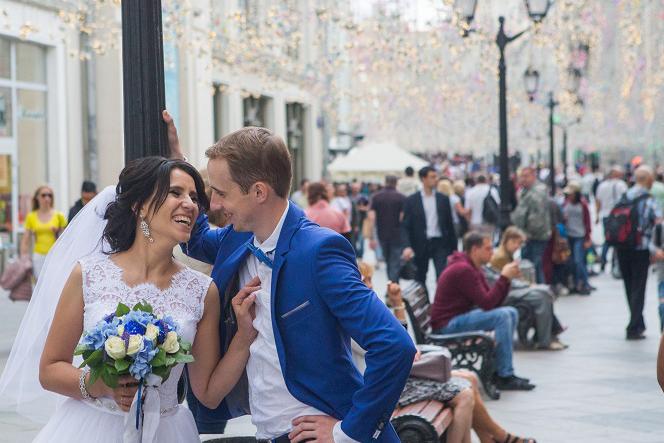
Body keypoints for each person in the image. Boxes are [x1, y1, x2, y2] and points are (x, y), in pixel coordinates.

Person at [171, 124, 416, 442]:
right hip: (268, 432)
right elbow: (197, 238)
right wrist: (178, 162)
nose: (213, 204)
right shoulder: (238, 236)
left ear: (258, 192)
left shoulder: (319, 251)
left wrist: (348, 432)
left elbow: (394, 345)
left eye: (220, 193)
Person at [0, 157, 258, 442]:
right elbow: (49, 370)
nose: (190, 204)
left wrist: (244, 337)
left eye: (194, 197)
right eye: (176, 192)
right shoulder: (89, 274)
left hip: (167, 431)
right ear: (141, 205)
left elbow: (208, 394)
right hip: (90, 428)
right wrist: (101, 385)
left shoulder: (200, 290)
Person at [356, 262, 536, 443]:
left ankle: (490, 438)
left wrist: (397, 304)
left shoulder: (366, 307)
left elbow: (401, 339)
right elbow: (393, 350)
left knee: (470, 378)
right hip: (389, 386)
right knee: (464, 394)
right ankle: (500, 437)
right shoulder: (359, 313)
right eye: (366, 280)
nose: (371, 285)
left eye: (371, 279)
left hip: (397, 377)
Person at [430, 232, 534, 391]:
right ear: (474, 250)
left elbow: (490, 302)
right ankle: (504, 375)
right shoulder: (463, 269)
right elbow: (487, 303)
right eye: (487, 248)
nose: (492, 252)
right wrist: (504, 278)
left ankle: (503, 371)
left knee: (511, 312)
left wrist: (506, 279)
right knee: (503, 316)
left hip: (457, 317)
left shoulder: (473, 267)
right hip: (447, 324)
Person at [488, 227, 567, 351]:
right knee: (543, 294)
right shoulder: (500, 257)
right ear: (507, 240)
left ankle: (549, 334)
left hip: (510, 288)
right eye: (516, 243)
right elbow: (503, 280)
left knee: (544, 293)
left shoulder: (507, 255)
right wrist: (527, 285)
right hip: (506, 291)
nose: (518, 246)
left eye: (520, 243)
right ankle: (548, 336)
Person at [616, 166, 662, 340]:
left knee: (629, 286)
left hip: (622, 247)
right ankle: (634, 325)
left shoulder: (624, 195)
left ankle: (637, 321)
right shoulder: (649, 199)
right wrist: (656, 248)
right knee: (638, 287)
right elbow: (658, 223)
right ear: (649, 180)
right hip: (640, 248)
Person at [401, 166, 457, 286]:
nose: (435, 179)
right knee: (420, 277)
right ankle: (425, 304)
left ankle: (440, 303)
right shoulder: (412, 200)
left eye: (435, 176)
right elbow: (405, 225)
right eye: (432, 177)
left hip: (440, 242)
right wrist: (407, 246)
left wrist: (454, 249)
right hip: (420, 243)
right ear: (423, 179)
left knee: (442, 276)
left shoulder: (443, 199)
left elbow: (449, 224)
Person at [511, 167, 552, 284]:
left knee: (533, 267)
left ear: (533, 176)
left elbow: (537, 218)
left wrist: (527, 234)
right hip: (527, 235)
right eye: (521, 176)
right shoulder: (524, 191)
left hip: (535, 236)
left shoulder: (537, 191)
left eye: (526, 176)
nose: (523, 179)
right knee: (529, 266)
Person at [20, 185, 68, 279]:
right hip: (38, 255)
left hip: (55, 255)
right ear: (37, 197)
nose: (47, 198)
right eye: (43, 195)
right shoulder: (31, 217)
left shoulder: (59, 216)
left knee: (54, 282)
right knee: (39, 284)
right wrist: (24, 258)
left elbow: (66, 239)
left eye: (50, 195)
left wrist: (57, 231)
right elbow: (25, 240)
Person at [367, 175, 406, 282]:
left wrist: (371, 237)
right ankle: (393, 285)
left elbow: (371, 218)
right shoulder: (401, 197)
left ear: (385, 182)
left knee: (389, 261)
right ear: (396, 183)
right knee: (394, 261)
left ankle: (391, 285)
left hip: (382, 234)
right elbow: (402, 218)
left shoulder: (376, 197)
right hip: (397, 234)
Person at [562, 181, 593, 295]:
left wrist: (588, 238)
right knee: (571, 262)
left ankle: (584, 282)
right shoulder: (566, 204)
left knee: (578, 261)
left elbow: (587, 221)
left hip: (580, 235)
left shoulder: (583, 204)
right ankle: (576, 283)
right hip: (569, 235)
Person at [595, 166, 628, 272]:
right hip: (618, 216)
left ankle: (604, 261)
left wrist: (597, 215)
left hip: (605, 215)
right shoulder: (621, 185)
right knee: (618, 239)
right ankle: (615, 263)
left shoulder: (602, 186)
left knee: (608, 239)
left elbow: (598, 202)